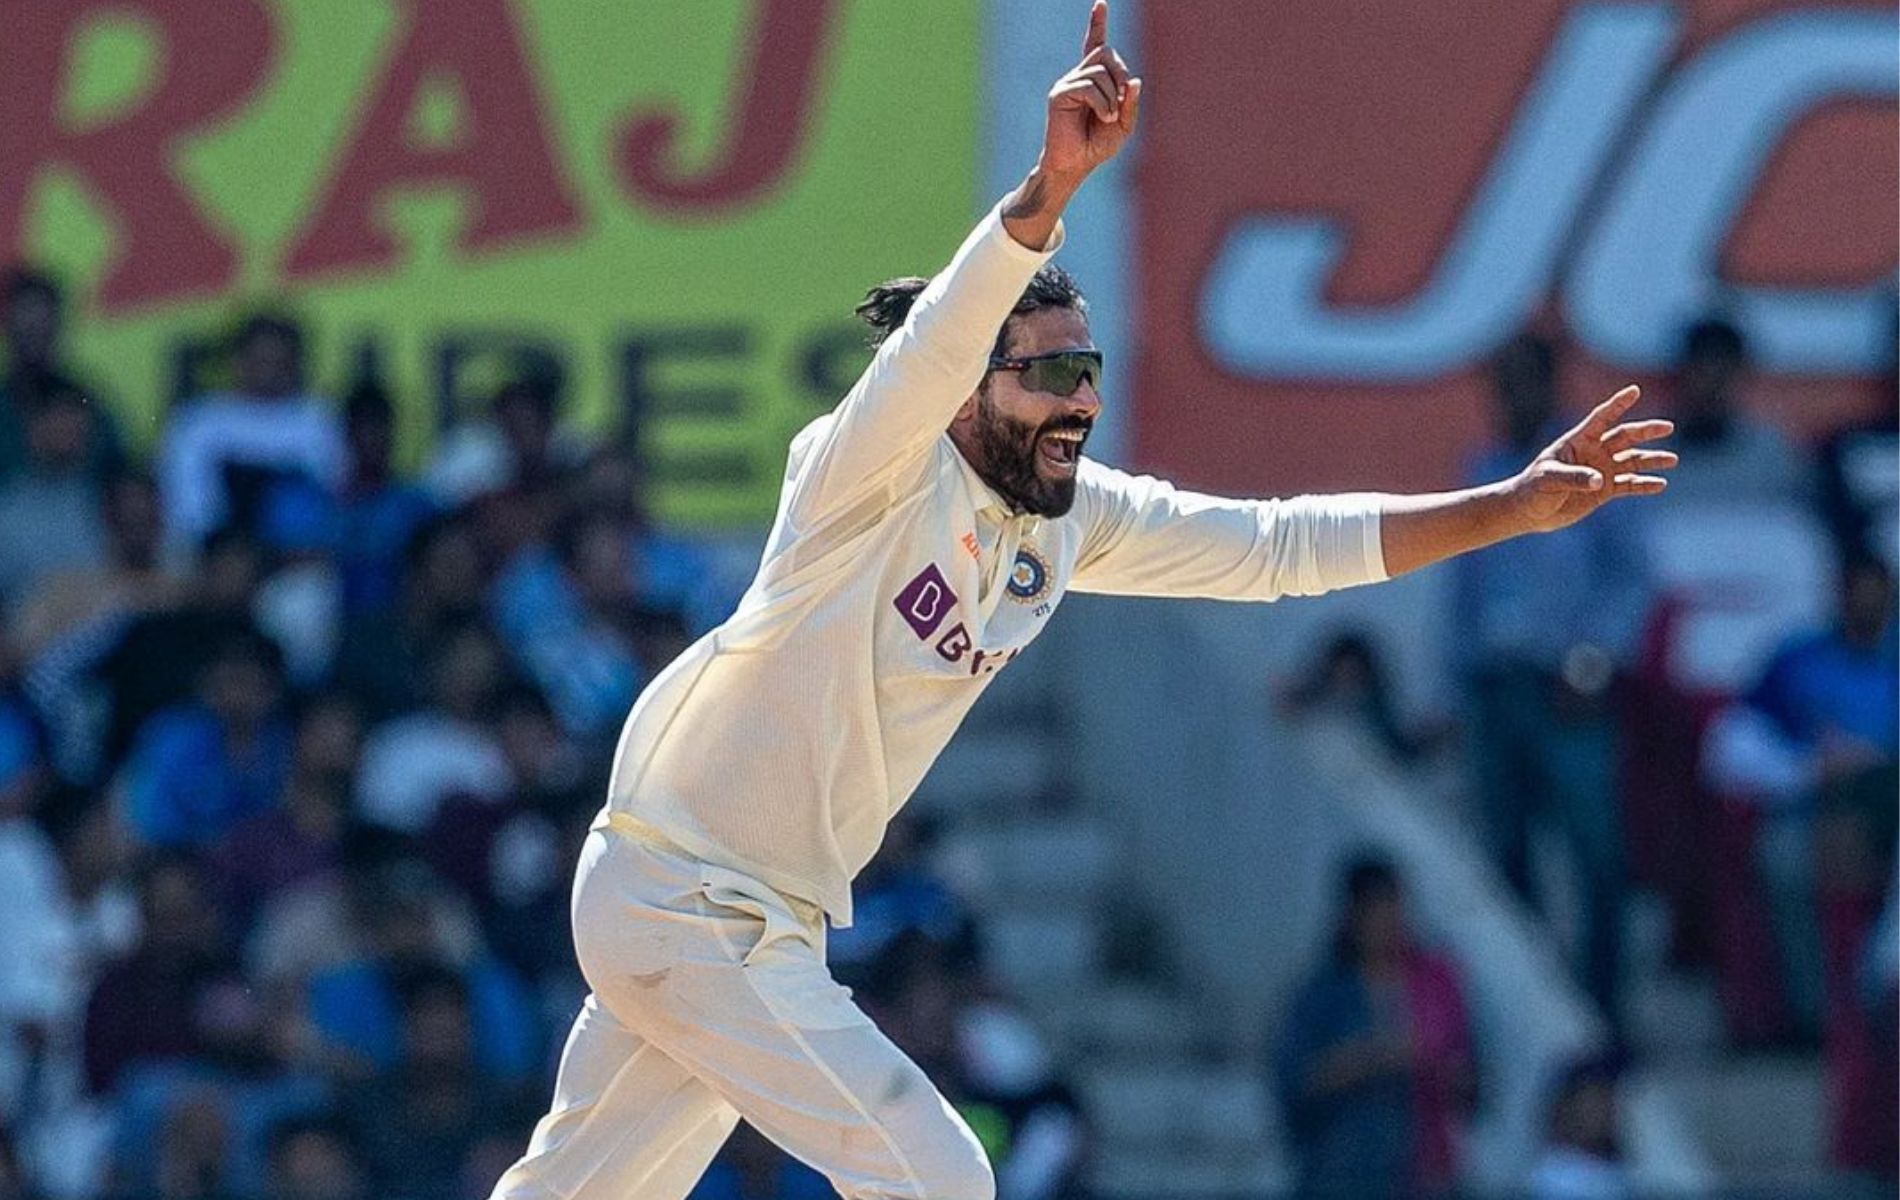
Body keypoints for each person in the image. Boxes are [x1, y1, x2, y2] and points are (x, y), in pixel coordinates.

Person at [492, 7, 1677, 1196]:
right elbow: (931, 347)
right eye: (1049, 372)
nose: (1078, 400)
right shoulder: (867, 474)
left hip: (742, 915)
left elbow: (1277, 548)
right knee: (940, 1177)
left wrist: (1506, 510)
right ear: (969, 385)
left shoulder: (1072, 521)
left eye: (1090, 370)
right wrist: (1049, 188)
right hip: (694, 894)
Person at [1450, 332, 1651, 1019]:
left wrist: (1591, 661)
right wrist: (1449, 686)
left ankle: (1604, 1011)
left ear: (1549, 386)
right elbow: (1461, 590)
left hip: (1567, 690)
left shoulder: (1591, 470)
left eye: (1522, 383)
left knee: (1596, 853)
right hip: (1495, 687)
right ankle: (1531, 1008)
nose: (1510, 399)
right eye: (1501, 385)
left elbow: (1631, 580)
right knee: (1505, 858)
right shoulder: (1483, 468)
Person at [1273, 857, 1475, 1198]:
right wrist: (1370, 1058)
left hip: (1423, 1172)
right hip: (1342, 1170)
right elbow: (1294, 1082)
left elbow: (1470, 1076)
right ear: (1353, 916)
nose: (1387, 923)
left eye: (1393, 908)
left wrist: (1439, 1067)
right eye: (1375, 911)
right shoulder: (1321, 995)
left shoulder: (1435, 984)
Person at [157, 314, 345, 554]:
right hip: (211, 556)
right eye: (261, 360)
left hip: (298, 558)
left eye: (279, 361)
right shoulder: (198, 422)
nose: (270, 371)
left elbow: (332, 497)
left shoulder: (318, 420)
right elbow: (188, 511)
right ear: (238, 361)